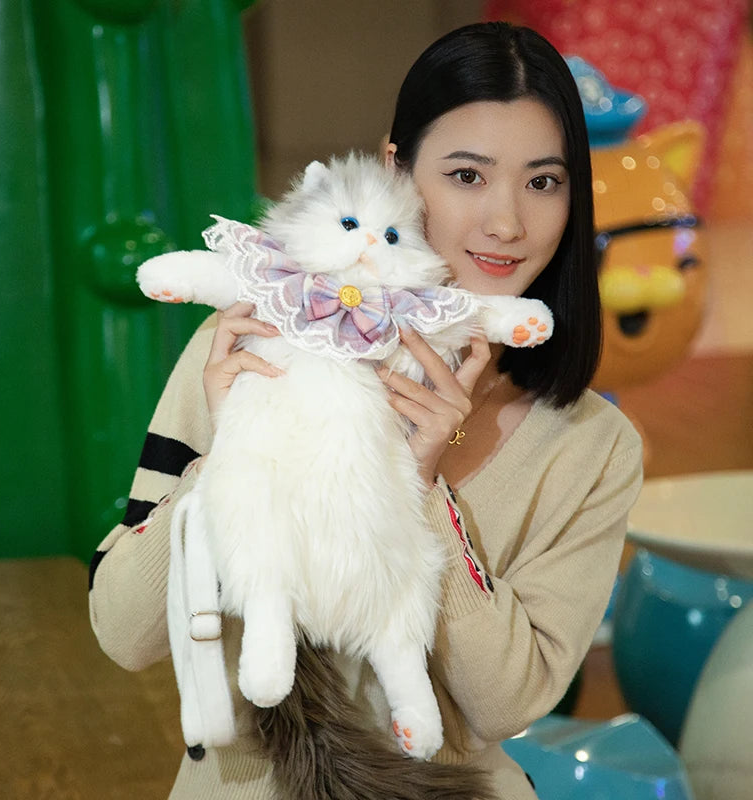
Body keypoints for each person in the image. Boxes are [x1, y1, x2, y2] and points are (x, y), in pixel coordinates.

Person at [88, 21, 643, 800]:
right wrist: (226, 461)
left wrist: (422, 485)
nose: (508, 222)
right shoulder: (247, 342)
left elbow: (510, 702)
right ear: (397, 169)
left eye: (543, 182)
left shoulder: (591, 443)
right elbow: (124, 633)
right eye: (467, 175)